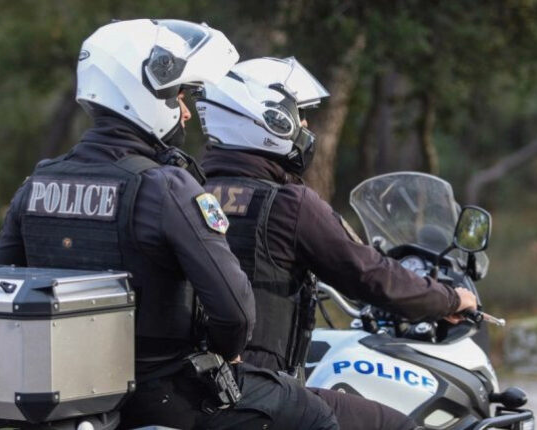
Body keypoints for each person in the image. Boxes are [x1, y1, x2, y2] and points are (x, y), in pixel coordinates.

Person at [0, 21, 337, 430]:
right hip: (162, 393)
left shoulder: (38, 182)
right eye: (178, 95)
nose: (186, 111)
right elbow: (235, 311)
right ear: (144, 93)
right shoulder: (165, 187)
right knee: (314, 414)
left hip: (65, 396)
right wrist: (228, 353)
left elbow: (3, 283)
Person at [195, 57, 479, 430]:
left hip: (195, 389)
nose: (306, 126)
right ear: (270, 120)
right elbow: (370, 274)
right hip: (260, 391)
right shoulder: (287, 204)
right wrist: (449, 299)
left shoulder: (188, 189)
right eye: (298, 115)